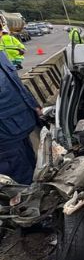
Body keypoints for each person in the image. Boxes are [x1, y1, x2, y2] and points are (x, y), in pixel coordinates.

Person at [0, 52, 41, 184]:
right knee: (17, 182)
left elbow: (17, 85)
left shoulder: (1, 55)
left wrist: (34, 106)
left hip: (21, 127)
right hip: (5, 139)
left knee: (34, 169)